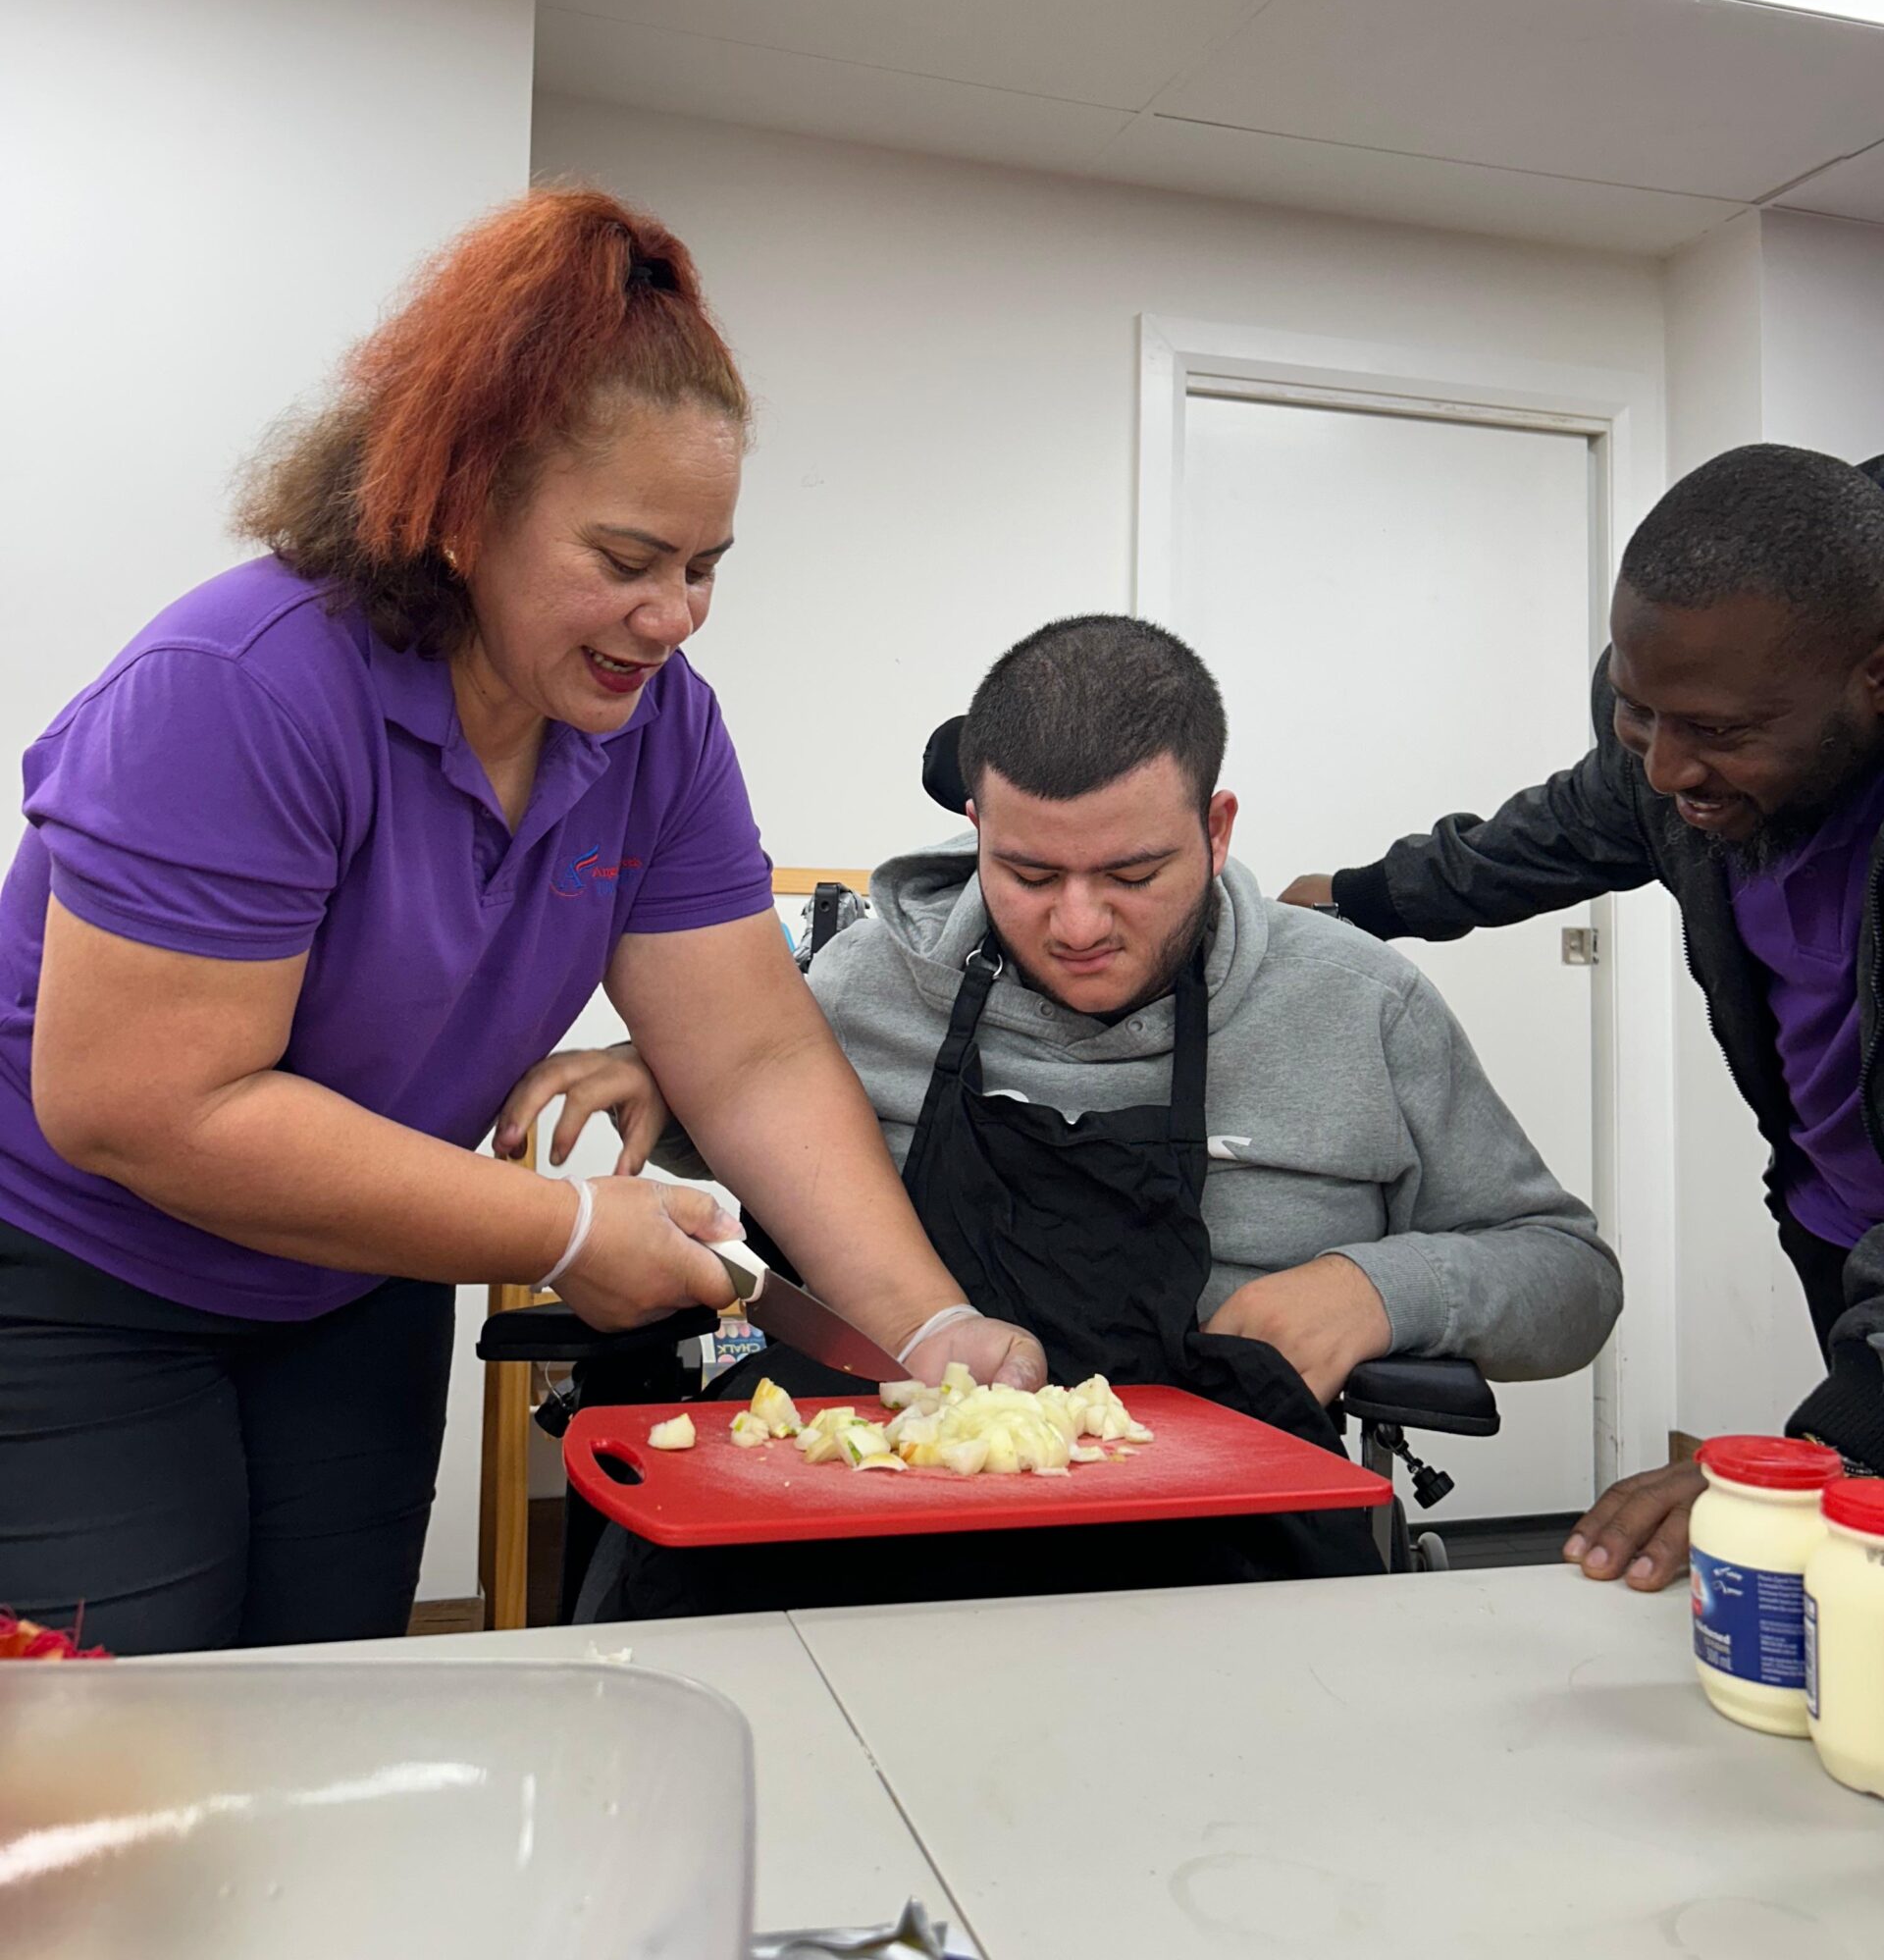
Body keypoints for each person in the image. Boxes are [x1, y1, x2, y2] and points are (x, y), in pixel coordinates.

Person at [0, 186, 1040, 1658]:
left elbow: (749, 1055)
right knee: (122, 1727)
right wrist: (563, 1228)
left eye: (704, 567)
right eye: (626, 561)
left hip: (345, 1280)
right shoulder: (238, 690)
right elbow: (144, 1103)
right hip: (74, 1281)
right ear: (460, 506)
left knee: (328, 1694)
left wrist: (927, 1330)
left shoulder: (658, 731)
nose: (674, 617)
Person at [582, 614, 1619, 1614]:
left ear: (1216, 830)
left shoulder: (1361, 1007)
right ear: (978, 830)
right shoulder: (870, 980)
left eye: (1133, 874)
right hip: (869, 1535)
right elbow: (765, 1114)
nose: (1077, 925)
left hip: (1221, 1556)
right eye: (1028, 874)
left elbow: (1572, 1276)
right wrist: (668, 1076)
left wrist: (1378, 1290)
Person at [1280, 444, 1884, 1590]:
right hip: (1836, 1225)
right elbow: (1567, 824)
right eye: (1636, 712)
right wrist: (1356, 901)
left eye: (1716, 733)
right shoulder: (1682, 742)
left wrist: (1825, 1450)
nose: (1665, 769)